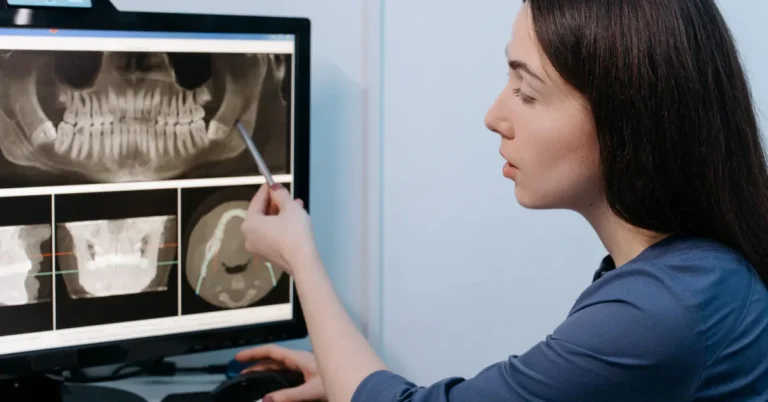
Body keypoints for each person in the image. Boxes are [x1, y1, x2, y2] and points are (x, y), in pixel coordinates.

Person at [237, 0, 768, 400]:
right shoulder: (690, 280)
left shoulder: (663, 312)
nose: (495, 116)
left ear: (631, 122)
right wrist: (343, 375)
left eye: (527, 92)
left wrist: (301, 259)